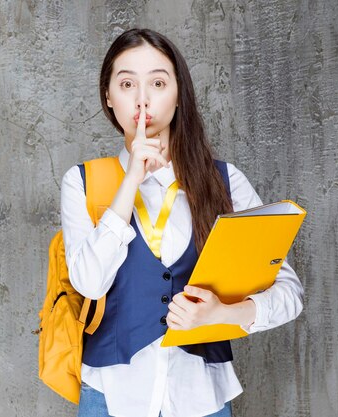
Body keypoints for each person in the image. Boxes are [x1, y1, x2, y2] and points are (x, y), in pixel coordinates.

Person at [60, 28, 304, 417]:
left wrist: (223, 315)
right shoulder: (83, 182)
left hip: (200, 398)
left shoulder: (225, 182)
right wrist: (131, 183)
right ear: (109, 97)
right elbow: (89, 282)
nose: (142, 99)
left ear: (178, 95)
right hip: (111, 398)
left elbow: (289, 293)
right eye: (127, 84)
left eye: (158, 82)